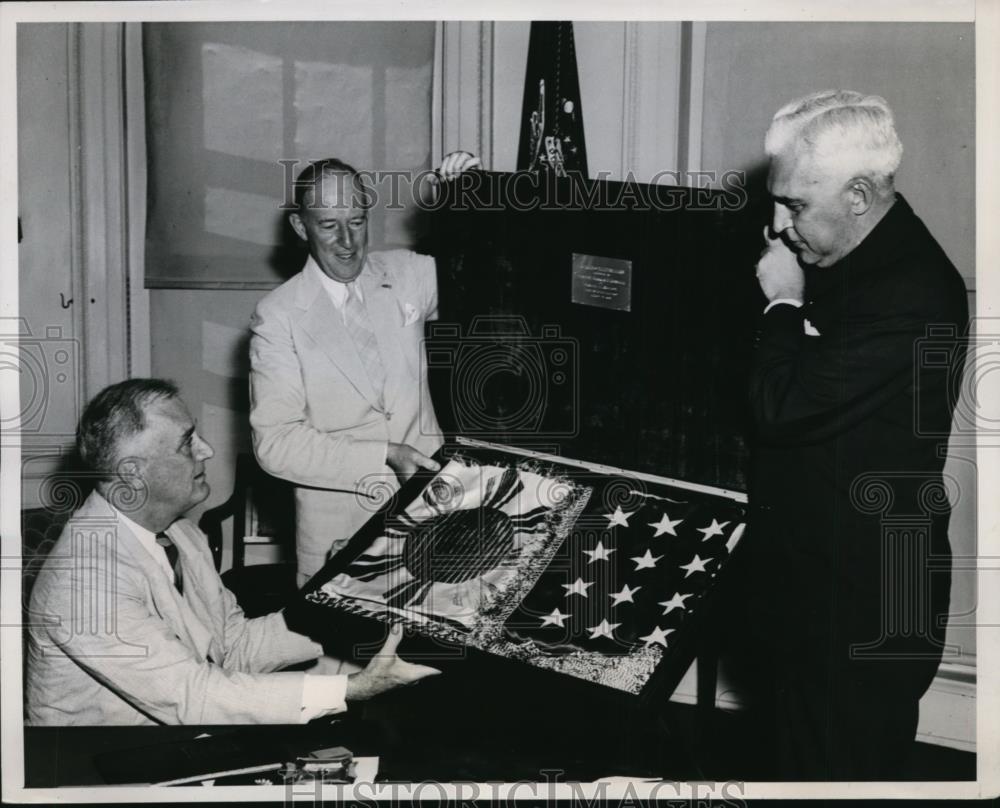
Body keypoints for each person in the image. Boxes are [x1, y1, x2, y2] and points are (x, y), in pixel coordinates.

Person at [747, 90, 968, 779]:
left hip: (868, 596)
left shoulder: (911, 293)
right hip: (822, 575)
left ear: (860, 195)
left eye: (794, 206)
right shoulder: (856, 254)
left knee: (843, 774)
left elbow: (780, 405)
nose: (778, 227)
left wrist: (780, 302)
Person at [26, 379, 437, 725]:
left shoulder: (181, 535)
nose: (206, 450)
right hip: (90, 772)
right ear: (132, 473)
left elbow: (233, 648)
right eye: (187, 443)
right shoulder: (82, 581)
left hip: (166, 750)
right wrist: (352, 689)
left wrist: (341, 590)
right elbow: (192, 696)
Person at [249, 151, 480, 585]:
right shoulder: (277, 316)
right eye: (328, 225)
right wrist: (385, 457)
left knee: (422, 651)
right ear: (300, 227)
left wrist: (473, 193)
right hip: (341, 531)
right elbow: (275, 444)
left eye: (356, 222)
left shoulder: (407, 273)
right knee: (345, 652)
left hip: (433, 515)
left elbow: (490, 266)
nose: (347, 242)